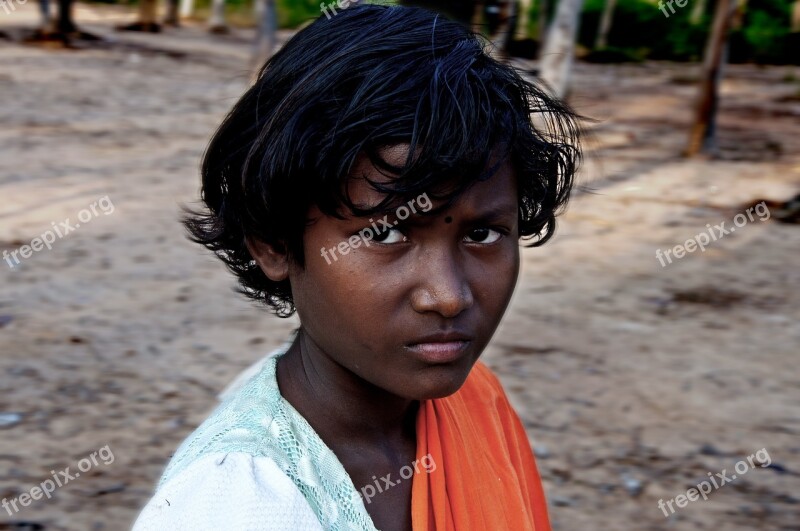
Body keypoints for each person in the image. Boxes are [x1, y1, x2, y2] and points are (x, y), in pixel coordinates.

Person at [133, 4, 581, 530]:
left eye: (481, 234)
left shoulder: (477, 402)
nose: (448, 296)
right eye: (385, 233)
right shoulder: (239, 504)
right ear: (274, 243)